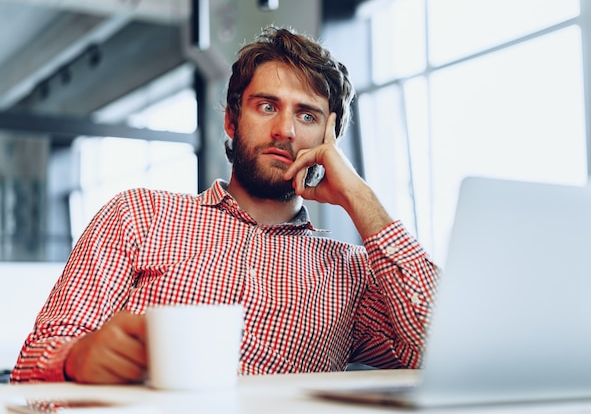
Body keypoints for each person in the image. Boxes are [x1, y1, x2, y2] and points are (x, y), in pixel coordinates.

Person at [11, 26, 439, 384]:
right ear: (232, 120)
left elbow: (444, 351)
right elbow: (31, 368)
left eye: (307, 116)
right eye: (266, 106)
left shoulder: (351, 273)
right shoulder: (137, 216)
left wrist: (359, 198)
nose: (285, 130)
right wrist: (73, 361)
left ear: (328, 142)